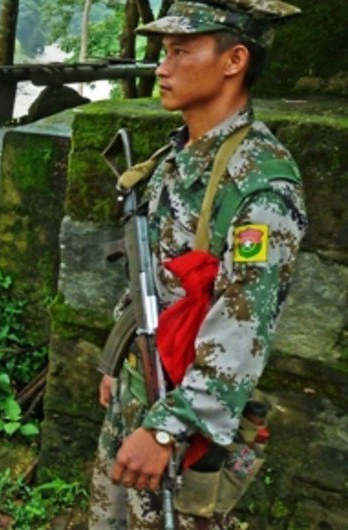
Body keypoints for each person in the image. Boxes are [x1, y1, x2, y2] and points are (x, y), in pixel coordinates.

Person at [90, 1, 307, 529]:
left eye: (181, 51)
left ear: (233, 60)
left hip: (184, 423)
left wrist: (167, 429)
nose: (163, 67)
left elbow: (242, 330)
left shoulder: (260, 187)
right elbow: (154, 274)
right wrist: (117, 360)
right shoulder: (178, 157)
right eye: (164, 52)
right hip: (140, 388)